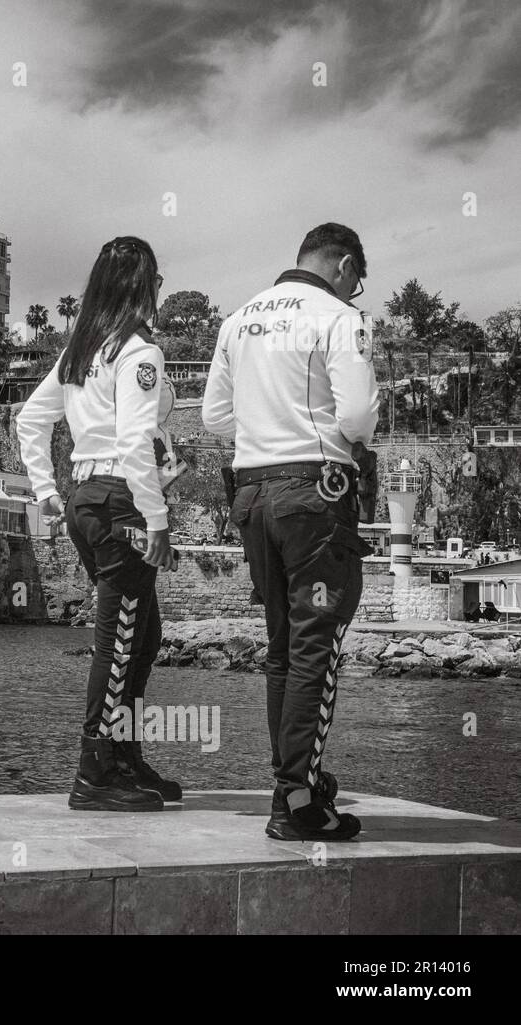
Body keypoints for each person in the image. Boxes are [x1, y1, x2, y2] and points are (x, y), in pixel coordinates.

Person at [202, 222, 379, 842]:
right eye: (360, 277)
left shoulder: (238, 317)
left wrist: (266, 426)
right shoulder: (337, 316)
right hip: (314, 495)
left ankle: (295, 783)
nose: (359, 289)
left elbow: (213, 417)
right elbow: (356, 414)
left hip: (252, 493)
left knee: (283, 645)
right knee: (317, 646)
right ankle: (298, 800)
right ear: (344, 265)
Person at [17, 235, 181, 813]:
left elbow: (29, 421)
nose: (159, 290)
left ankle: (123, 757)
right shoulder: (138, 351)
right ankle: (94, 773)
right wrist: (156, 520)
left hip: (89, 500)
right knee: (119, 643)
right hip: (123, 504)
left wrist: (46, 490)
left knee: (143, 635)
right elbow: (136, 440)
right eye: (156, 281)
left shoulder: (82, 353)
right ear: (143, 286)